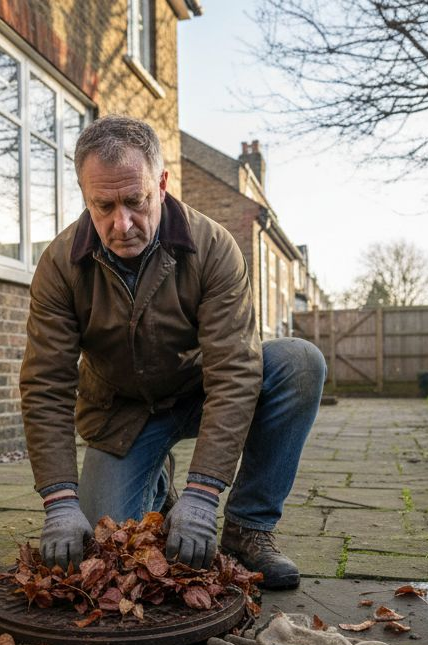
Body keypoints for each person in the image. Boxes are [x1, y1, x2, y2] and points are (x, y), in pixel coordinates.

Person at [19, 115, 325, 590]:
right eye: (103, 206)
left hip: (202, 391)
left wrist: (205, 494)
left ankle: (248, 529)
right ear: (85, 196)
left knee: (299, 363)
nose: (121, 224)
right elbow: (46, 384)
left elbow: (234, 372)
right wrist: (59, 500)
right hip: (124, 415)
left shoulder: (214, 248)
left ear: (160, 184)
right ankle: (159, 487)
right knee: (108, 547)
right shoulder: (61, 265)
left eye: (135, 201)